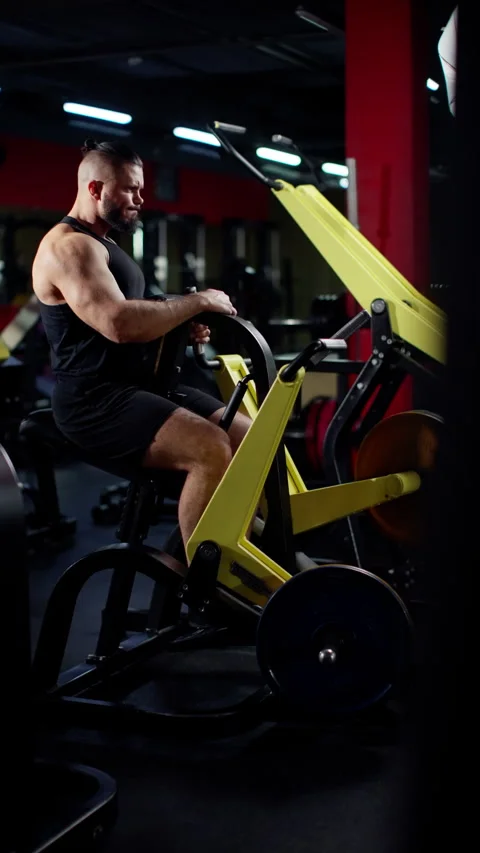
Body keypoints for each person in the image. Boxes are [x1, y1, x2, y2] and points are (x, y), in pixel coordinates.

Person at [32, 139, 251, 556]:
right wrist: (198, 301)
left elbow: (129, 314)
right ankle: (203, 591)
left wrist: (175, 325)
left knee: (249, 438)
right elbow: (118, 324)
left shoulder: (106, 243)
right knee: (210, 448)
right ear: (95, 189)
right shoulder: (69, 247)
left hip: (140, 386)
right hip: (95, 401)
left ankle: (202, 556)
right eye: (130, 188)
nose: (141, 198)